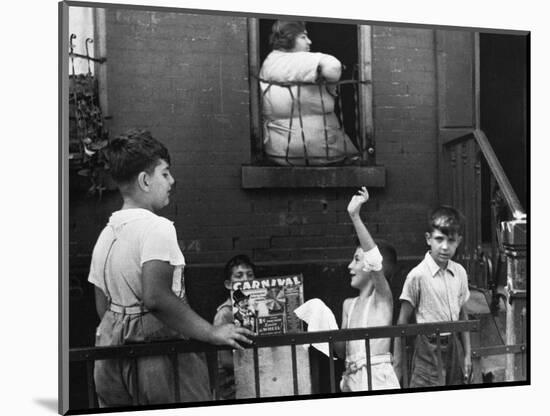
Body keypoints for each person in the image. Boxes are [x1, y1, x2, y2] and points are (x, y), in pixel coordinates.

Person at [87, 130, 253, 407]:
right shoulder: (157, 227)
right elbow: (156, 297)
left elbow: (102, 305)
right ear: (144, 180)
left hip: (109, 360)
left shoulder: (107, 233)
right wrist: (212, 332)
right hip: (158, 359)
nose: (172, 181)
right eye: (164, 174)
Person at [259, 20, 359, 166]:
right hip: (324, 151)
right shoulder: (299, 60)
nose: (309, 41)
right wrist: (323, 72)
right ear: (288, 38)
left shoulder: (269, 63)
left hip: (280, 152)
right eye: (303, 37)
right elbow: (333, 68)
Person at [393, 206, 472, 387]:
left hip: (454, 346)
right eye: (439, 239)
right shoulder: (417, 275)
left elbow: (462, 315)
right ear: (428, 239)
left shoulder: (459, 272)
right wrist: (397, 366)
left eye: (451, 240)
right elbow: (402, 321)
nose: (445, 246)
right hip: (427, 348)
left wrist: (467, 354)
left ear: (458, 241)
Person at [335, 187, 400, 391]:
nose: (349, 266)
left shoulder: (382, 300)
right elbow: (341, 352)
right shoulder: (349, 305)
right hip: (352, 381)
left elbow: (374, 260)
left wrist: (355, 216)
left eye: (356, 259)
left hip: (378, 381)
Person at [212, 255, 257, 400]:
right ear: (229, 284)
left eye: (250, 275)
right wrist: (256, 366)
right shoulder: (224, 314)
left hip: (253, 380)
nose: (246, 279)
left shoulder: (256, 308)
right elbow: (225, 360)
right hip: (231, 388)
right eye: (239, 275)